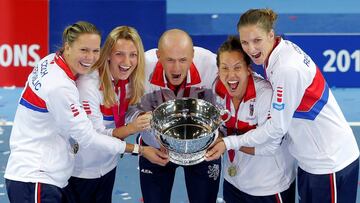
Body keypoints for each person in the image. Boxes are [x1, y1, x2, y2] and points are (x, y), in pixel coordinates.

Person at [206, 8, 360, 203]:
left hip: (330, 161)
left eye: (257, 40)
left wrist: (229, 142)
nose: (251, 49)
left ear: (271, 35)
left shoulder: (286, 69)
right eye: (245, 42)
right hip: (309, 161)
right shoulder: (279, 51)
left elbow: (276, 128)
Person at [4, 21, 167, 203]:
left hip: (46, 173)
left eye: (95, 50)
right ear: (67, 47)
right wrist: (140, 149)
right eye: (84, 50)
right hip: (35, 176)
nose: (90, 58)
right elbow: (89, 138)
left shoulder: (51, 61)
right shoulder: (62, 87)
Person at [66, 26, 168, 203]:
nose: (127, 61)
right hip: (80, 170)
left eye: (133, 55)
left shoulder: (130, 82)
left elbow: (130, 114)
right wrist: (133, 131)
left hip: (107, 166)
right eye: (119, 54)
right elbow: (94, 138)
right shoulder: (89, 86)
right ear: (107, 55)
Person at [130, 29, 220, 203]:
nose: (176, 68)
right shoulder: (141, 68)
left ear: (193, 55)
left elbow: (227, 106)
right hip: (156, 148)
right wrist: (140, 118)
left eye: (183, 60)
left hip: (202, 150)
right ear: (158, 55)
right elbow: (127, 110)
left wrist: (221, 136)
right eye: (170, 60)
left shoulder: (212, 66)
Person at [213, 36, 296, 203]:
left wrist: (227, 143)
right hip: (233, 182)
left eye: (237, 67)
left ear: (248, 69)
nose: (231, 75)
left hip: (269, 187)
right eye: (224, 68)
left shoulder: (265, 95)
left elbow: (271, 147)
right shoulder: (217, 91)